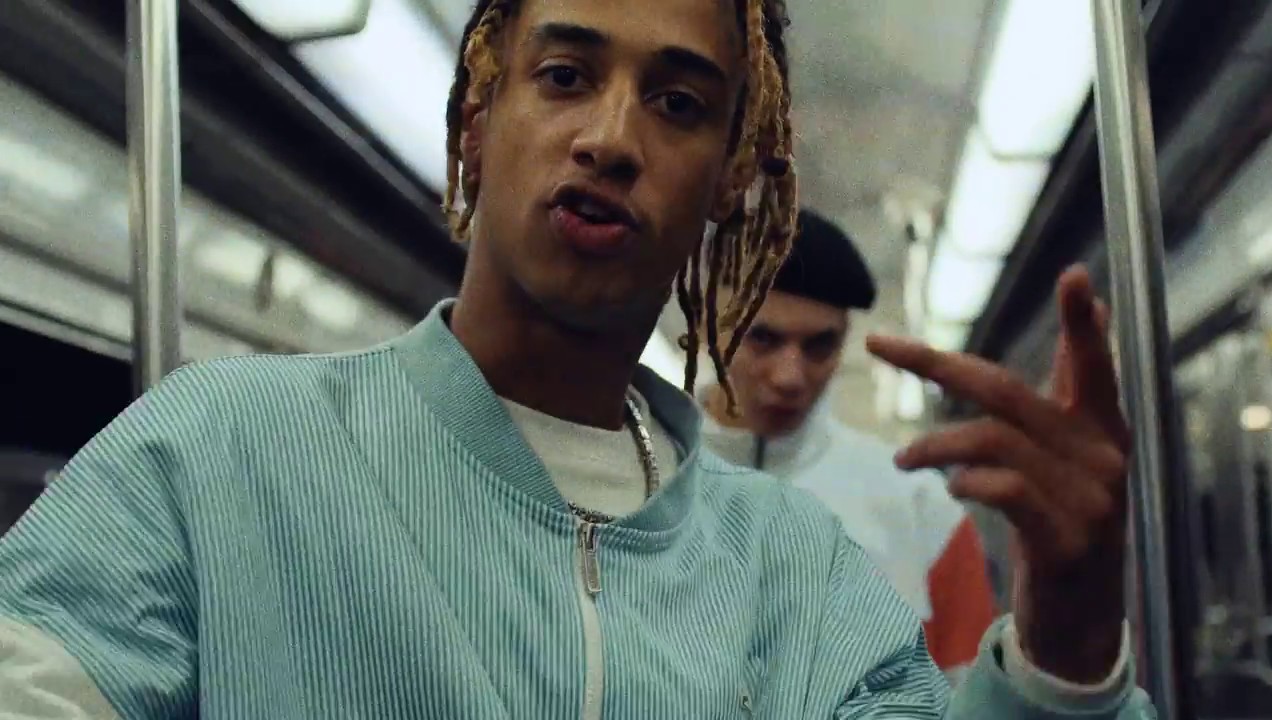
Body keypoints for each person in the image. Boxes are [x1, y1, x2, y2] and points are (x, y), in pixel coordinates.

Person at [0, 0, 1151, 717]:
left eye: (677, 103)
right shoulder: (216, 455)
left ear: (725, 183)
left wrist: (1066, 646)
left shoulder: (797, 577)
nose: (609, 138)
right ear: (477, 123)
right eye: (563, 77)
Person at [700, 207, 998, 683]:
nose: (790, 376)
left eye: (820, 346)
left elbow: (972, 697)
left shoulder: (918, 506)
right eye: (762, 339)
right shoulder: (642, 476)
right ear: (706, 321)